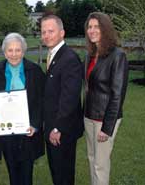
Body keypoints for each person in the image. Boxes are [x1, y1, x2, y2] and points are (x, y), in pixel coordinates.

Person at [0, 33, 45, 185]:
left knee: (26, 173)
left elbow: (42, 101)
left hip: (27, 131)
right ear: (5, 52)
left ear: (23, 51)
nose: (14, 54)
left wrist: (35, 125)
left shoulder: (35, 71)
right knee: (12, 171)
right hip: (6, 132)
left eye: (17, 50)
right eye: (10, 50)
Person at [84, 12, 129, 185]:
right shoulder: (90, 54)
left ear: (106, 29)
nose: (92, 30)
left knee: (100, 165)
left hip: (104, 119)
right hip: (88, 116)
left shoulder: (117, 56)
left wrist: (107, 127)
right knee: (91, 159)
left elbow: (117, 95)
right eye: (90, 27)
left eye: (97, 26)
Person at [41, 15, 83, 185]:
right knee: (57, 171)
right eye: (43, 32)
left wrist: (57, 128)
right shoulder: (53, 54)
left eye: (51, 31)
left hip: (62, 130)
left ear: (62, 33)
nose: (46, 35)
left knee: (63, 173)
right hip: (53, 126)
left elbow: (70, 98)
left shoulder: (69, 58)